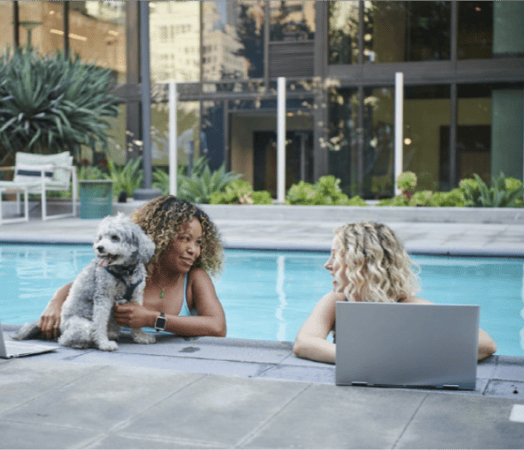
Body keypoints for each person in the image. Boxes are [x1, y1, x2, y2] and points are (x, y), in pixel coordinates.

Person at [293, 222, 497, 364]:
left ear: (361, 263)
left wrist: (403, 357)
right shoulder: (336, 301)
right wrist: (364, 358)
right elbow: (304, 343)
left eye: (336, 256)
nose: (327, 265)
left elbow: (485, 343)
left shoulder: (407, 305)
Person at [38, 196, 226, 340]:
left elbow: (218, 327)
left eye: (198, 242)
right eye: (184, 239)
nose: (194, 250)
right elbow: (81, 284)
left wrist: (152, 320)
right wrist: (55, 303)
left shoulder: (194, 279)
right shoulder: (129, 270)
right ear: (160, 238)